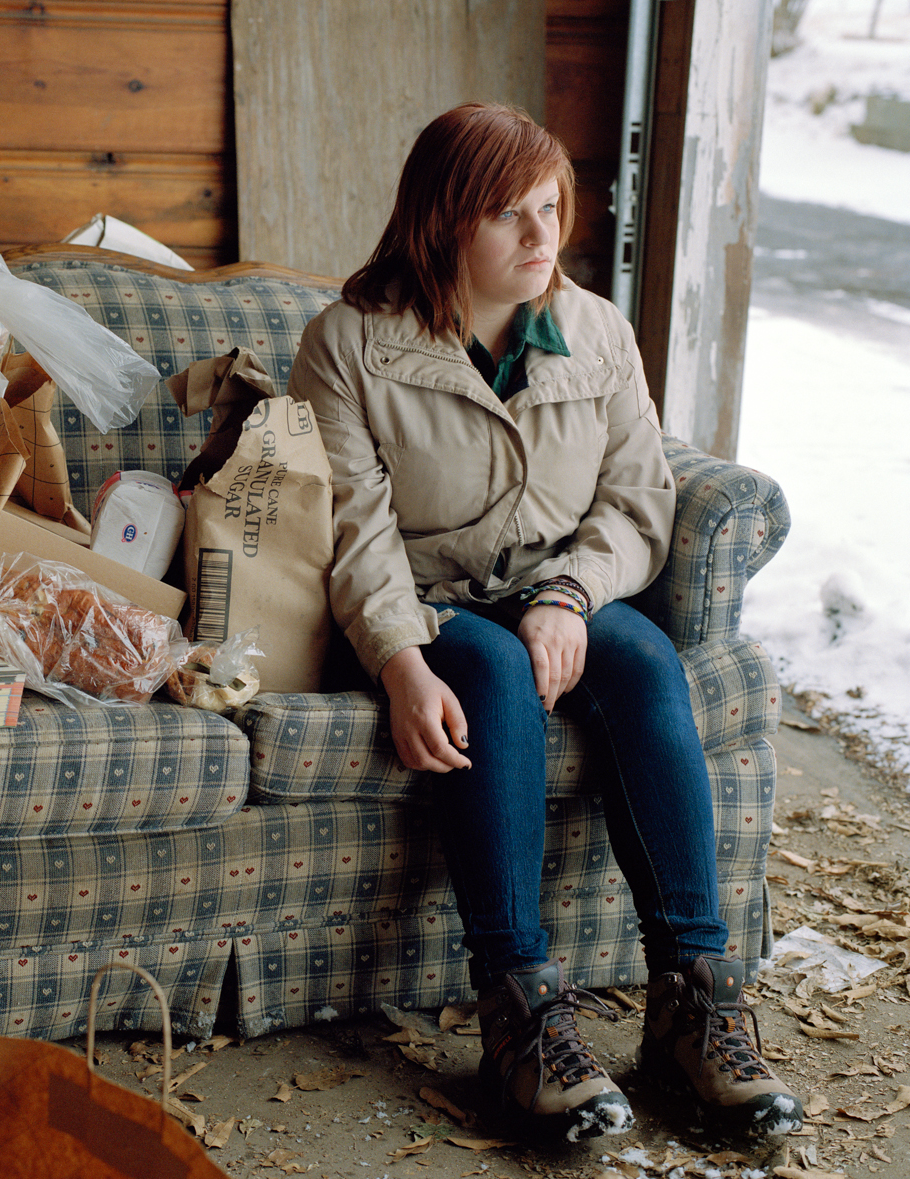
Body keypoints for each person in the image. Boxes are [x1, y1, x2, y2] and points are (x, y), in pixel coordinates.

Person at [286, 102, 804, 1142]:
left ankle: (696, 1006)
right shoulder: (348, 344)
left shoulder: (597, 333)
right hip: (426, 602)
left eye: (551, 209)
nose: (541, 238)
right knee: (490, 673)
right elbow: (354, 532)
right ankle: (521, 1018)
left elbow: (638, 500)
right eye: (508, 216)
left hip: (556, 588)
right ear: (441, 224)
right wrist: (397, 659)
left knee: (648, 665)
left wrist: (571, 596)